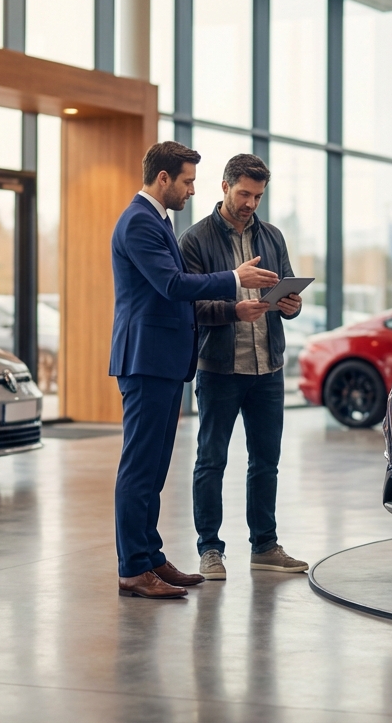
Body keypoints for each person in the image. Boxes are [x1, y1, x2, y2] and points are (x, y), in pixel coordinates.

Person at [111, 141, 280, 599]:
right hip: (145, 359)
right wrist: (234, 278)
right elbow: (170, 284)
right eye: (186, 181)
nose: (190, 190)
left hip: (163, 361)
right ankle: (132, 568)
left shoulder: (157, 220)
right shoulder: (139, 222)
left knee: (155, 467)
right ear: (163, 178)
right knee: (139, 469)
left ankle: (150, 557)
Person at [177, 153, 308, 580]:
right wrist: (236, 310)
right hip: (219, 369)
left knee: (265, 461)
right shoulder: (195, 240)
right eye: (244, 193)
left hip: (268, 368)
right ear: (225, 187)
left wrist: (292, 304)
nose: (251, 203)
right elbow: (191, 305)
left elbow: (287, 292)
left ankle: (265, 546)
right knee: (211, 459)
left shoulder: (272, 237)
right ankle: (210, 549)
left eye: (258, 196)